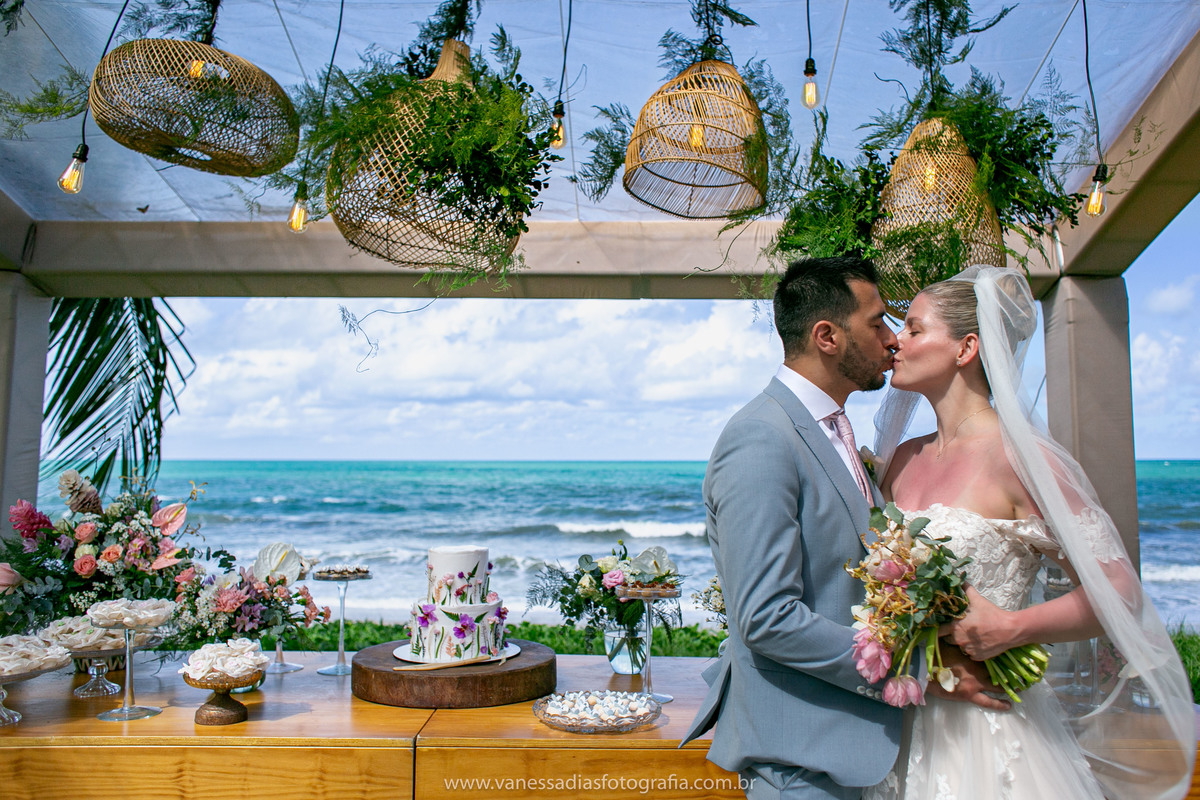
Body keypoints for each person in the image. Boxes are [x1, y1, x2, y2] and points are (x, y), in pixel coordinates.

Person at [679, 257, 1006, 800]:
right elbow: (766, 618)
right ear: (827, 336)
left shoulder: (835, 429)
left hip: (858, 751)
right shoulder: (761, 439)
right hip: (802, 757)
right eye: (877, 322)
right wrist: (920, 667)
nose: (892, 339)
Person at [865, 265, 1196, 800]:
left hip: (988, 733)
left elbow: (1120, 590)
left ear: (966, 347)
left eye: (914, 329)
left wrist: (1010, 628)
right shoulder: (902, 459)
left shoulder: (1022, 458)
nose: (895, 342)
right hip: (905, 714)